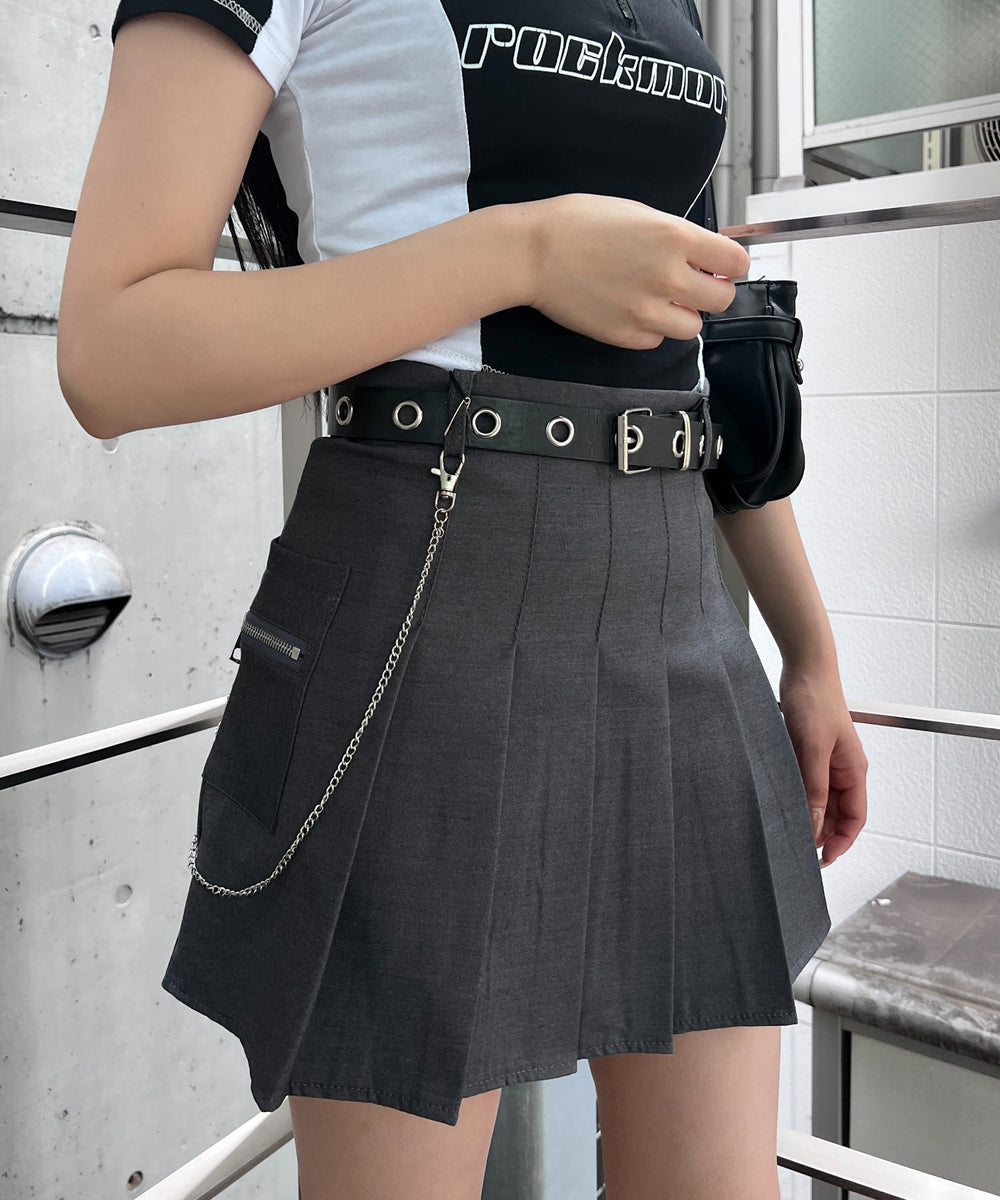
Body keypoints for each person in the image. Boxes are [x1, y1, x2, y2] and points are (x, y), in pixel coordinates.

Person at [57, 3, 868, 1198]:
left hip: (680, 607)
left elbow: (693, 346)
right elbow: (111, 348)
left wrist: (808, 650)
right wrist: (519, 254)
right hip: (432, 586)